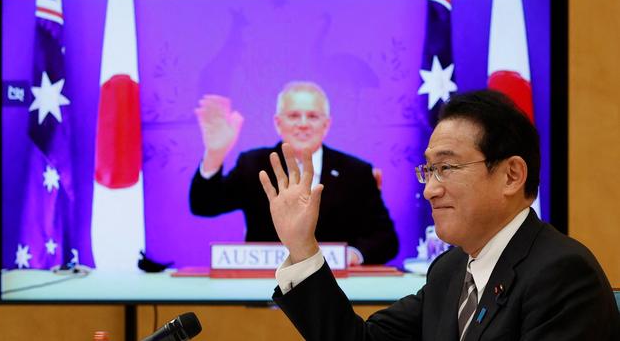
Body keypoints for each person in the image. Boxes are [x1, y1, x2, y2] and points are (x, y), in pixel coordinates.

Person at [260, 90, 620, 340]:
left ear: (511, 175)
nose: (430, 189)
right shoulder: (450, 271)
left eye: (446, 167)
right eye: (428, 171)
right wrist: (303, 247)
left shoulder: (563, 275)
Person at [189, 81, 398, 265]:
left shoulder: (355, 172)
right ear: (278, 123)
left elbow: (386, 239)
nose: (303, 124)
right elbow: (204, 204)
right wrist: (215, 154)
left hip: (332, 290)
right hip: (266, 290)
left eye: (313, 116)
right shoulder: (254, 164)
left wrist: (352, 255)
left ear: (326, 125)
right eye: (294, 116)